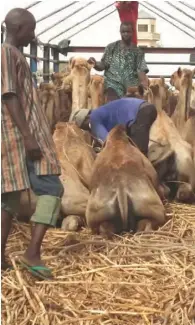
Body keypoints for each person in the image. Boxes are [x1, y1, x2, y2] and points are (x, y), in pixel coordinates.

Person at [1, 8, 64, 279]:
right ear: (17, 29)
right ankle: (32, 253)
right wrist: (28, 136)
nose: (33, 35)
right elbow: (9, 94)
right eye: (30, 29)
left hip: (13, 136)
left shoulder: (13, 54)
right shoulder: (6, 53)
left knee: (10, 197)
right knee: (52, 187)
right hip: (21, 137)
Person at [70, 98, 157, 157]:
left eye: (85, 127)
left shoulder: (94, 118)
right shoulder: (102, 112)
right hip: (147, 107)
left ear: (86, 120)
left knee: (138, 153)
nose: (88, 130)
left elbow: (108, 141)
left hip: (140, 112)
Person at [88, 21, 149, 102]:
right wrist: (95, 64)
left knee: (131, 108)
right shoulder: (111, 47)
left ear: (132, 32)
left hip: (131, 88)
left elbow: (141, 70)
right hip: (113, 85)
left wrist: (144, 83)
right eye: (123, 32)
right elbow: (103, 64)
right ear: (120, 32)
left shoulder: (138, 52)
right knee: (113, 105)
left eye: (128, 32)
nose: (125, 34)